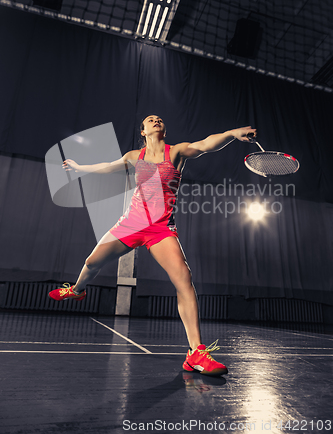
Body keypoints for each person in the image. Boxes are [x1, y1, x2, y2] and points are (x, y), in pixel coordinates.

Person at [49, 115, 256, 375]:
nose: (156, 120)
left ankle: (195, 353)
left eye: (159, 119)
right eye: (150, 119)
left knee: (184, 278)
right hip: (131, 224)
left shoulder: (177, 152)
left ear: (164, 129)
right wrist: (80, 169)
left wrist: (231, 133)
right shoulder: (135, 156)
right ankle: (77, 290)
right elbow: (109, 166)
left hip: (160, 229)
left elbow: (205, 144)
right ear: (143, 131)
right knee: (92, 262)